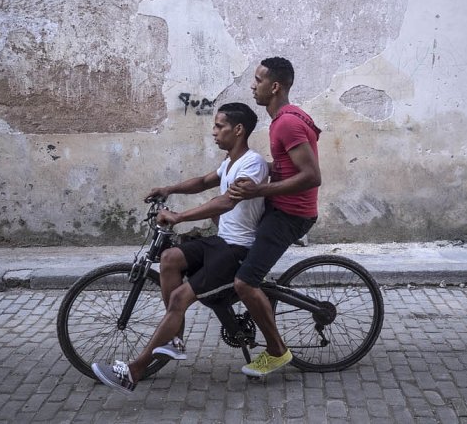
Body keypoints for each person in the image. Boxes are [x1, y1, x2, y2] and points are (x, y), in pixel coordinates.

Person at [92, 102, 269, 393]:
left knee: (179, 300)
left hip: (238, 250)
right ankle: (174, 338)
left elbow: (227, 201)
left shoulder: (253, 163)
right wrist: (169, 189)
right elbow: (202, 182)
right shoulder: (229, 162)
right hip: (221, 241)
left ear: (238, 130)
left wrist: (180, 216)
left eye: (219, 126)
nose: (214, 132)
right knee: (170, 257)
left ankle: (134, 371)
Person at [228, 57, 321, 377]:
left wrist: (258, 192)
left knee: (244, 281)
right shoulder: (281, 119)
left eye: (258, 80)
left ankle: (276, 351)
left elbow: (311, 176)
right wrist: (258, 170)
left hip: (290, 214)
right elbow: (287, 165)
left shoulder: (287, 123)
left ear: (275, 86)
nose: (253, 85)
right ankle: (258, 297)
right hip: (280, 206)